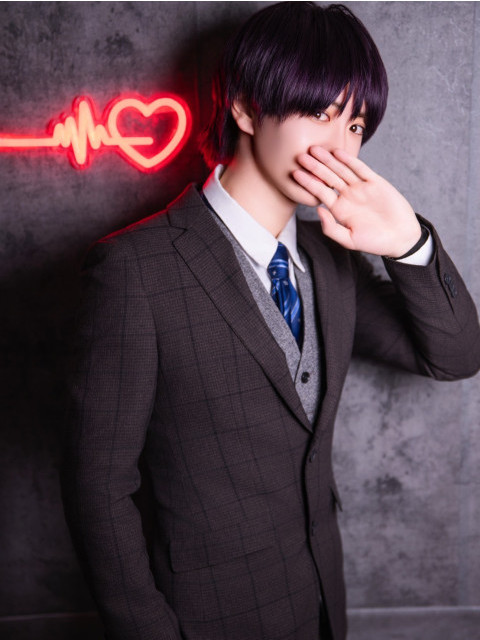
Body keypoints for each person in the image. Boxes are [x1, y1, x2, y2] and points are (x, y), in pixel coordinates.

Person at [62, 3, 480, 640]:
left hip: (322, 607)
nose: (340, 147)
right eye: (320, 113)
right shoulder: (134, 271)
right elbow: (98, 490)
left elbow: (454, 357)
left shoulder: (332, 260)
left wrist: (409, 244)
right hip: (204, 620)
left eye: (356, 124)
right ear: (245, 108)